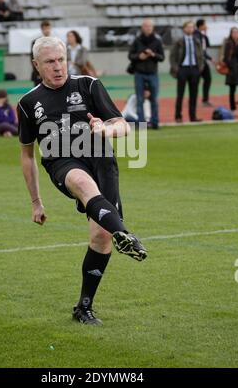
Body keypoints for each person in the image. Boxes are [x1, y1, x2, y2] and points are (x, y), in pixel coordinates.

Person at [17, 36, 147, 325]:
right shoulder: (28, 103)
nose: (58, 67)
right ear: (36, 65)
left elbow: (123, 126)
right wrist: (36, 201)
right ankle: (125, 234)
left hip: (102, 160)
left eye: (61, 60)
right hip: (62, 163)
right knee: (84, 185)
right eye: (50, 62)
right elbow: (26, 155)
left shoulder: (88, 85)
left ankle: (84, 307)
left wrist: (105, 130)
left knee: (100, 237)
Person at [128, 19, 164, 130]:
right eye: (146, 26)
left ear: (153, 28)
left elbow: (162, 57)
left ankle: (155, 122)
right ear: (142, 27)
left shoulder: (157, 41)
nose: (148, 28)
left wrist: (153, 54)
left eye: (150, 26)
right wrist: (139, 56)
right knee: (140, 100)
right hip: (139, 73)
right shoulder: (137, 40)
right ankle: (142, 124)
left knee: (154, 99)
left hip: (153, 73)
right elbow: (130, 56)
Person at [170, 20, 204, 123]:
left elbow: (201, 55)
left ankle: (193, 116)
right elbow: (172, 56)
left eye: (192, 27)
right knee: (180, 94)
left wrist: (200, 68)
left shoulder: (197, 41)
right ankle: (178, 116)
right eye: (188, 27)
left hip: (194, 69)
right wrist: (176, 69)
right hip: (183, 69)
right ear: (184, 29)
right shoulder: (179, 41)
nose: (190, 29)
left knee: (194, 94)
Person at [194, 19, 214, 107]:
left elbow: (205, 48)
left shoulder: (202, 35)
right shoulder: (196, 35)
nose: (207, 26)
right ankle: (196, 100)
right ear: (201, 26)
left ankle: (205, 100)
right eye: (205, 24)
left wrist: (209, 58)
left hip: (203, 61)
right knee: (196, 81)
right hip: (198, 62)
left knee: (207, 79)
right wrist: (209, 58)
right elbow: (200, 50)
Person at [223, 27, 238, 112]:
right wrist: (231, 66)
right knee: (232, 89)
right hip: (232, 70)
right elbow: (226, 58)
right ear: (231, 34)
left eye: (237, 32)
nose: (235, 34)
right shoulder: (229, 43)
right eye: (233, 32)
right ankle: (232, 107)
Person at [30, 20, 52, 86]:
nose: (47, 30)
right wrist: (38, 72)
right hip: (40, 72)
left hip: (52, 72)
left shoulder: (55, 42)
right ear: (42, 30)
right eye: (45, 29)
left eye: (48, 28)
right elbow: (33, 58)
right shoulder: (36, 42)